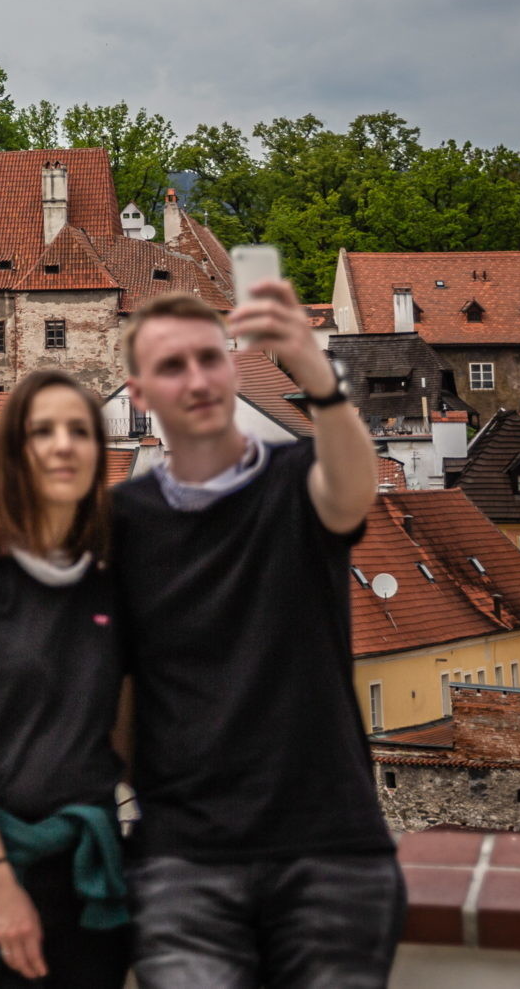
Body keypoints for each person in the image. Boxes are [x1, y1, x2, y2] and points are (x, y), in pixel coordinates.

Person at [111, 284, 403, 989]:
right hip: (185, 856)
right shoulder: (122, 522)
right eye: (173, 365)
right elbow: (113, 694)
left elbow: (354, 492)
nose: (199, 378)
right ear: (139, 393)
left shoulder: (298, 482)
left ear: (233, 367)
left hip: (328, 844)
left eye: (210, 357)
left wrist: (318, 374)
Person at [0, 369, 132, 988]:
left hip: (88, 869)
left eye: (80, 431)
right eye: (43, 431)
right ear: (14, 454)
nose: (64, 445)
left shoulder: (109, 580)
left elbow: (122, 734)